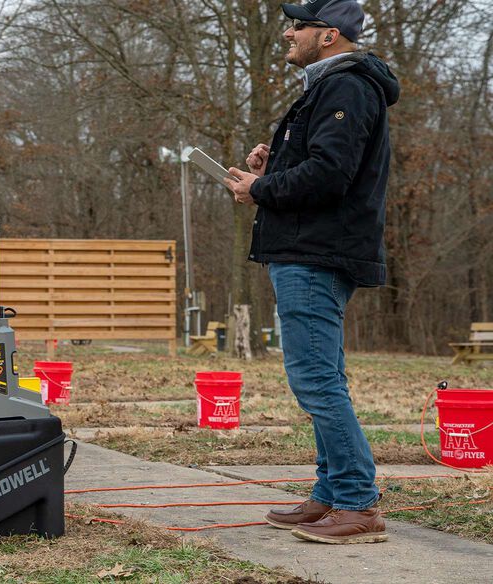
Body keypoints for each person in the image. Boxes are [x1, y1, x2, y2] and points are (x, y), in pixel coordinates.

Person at [224, 0, 399, 544]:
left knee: (317, 381)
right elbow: (320, 164)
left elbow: (330, 175)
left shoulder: (346, 86)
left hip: (316, 254)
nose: (288, 36)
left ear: (328, 35)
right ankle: (330, 494)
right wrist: (272, 167)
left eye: (297, 26)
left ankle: (357, 502)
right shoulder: (331, 86)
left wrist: (261, 190)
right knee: (323, 377)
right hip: (308, 248)